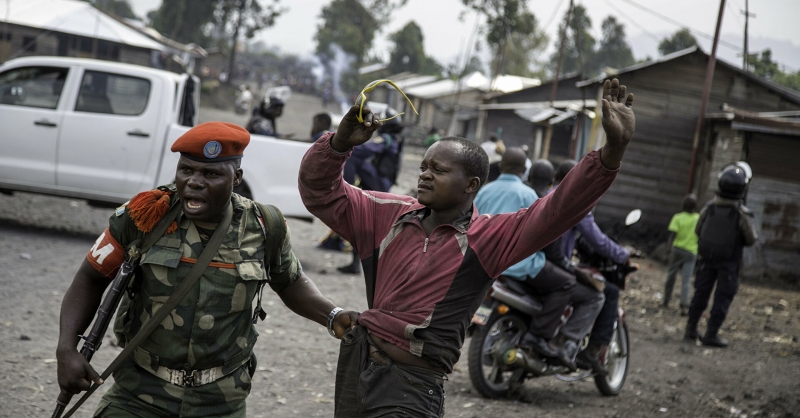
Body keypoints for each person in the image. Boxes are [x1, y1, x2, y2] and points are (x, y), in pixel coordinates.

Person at [298, 78, 635, 416]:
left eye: (438, 170)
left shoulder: (486, 238)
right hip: (356, 369)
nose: (424, 175)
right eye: (424, 167)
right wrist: (339, 145)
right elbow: (320, 193)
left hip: (411, 388)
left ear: (471, 185)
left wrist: (612, 151)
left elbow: (558, 208)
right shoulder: (387, 214)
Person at [56, 122, 359, 417]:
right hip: (138, 394)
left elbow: (290, 282)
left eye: (211, 174)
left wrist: (333, 315)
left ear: (236, 177)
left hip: (220, 401)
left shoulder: (264, 226)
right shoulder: (145, 215)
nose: (194, 182)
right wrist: (66, 349)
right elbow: (90, 277)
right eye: (186, 170)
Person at [474, 148, 604, 372]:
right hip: (519, 264)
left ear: (501, 166)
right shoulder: (529, 196)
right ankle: (538, 337)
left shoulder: (484, 190)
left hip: (484, 261)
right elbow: (545, 237)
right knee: (566, 283)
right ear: (524, 171)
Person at [554, 159, 630, 375]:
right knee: (603, 293)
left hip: (536, 262)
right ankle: (578, 348)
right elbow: (597, 240)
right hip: (555, 266)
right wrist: (623, 254)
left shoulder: (543, 195)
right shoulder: (577, 202)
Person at [684, 165, 757, 347]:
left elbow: (698, 230)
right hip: (729, 263)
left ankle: (690, 330)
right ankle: (711, 334)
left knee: (700, 294)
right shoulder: (741, 214)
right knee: (722, 298)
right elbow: (751, 239)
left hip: (706, 260)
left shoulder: (709, 207)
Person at [337, 115, 406, 275]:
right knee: (361, 223)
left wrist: (347, 142)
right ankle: (356, 264)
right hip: (380, 182)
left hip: (379, 182)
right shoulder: (396, 139)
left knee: (352, 155)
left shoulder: (387, 139)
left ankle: (345, 188)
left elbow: (365, 149)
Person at [662, 194, 700, 316]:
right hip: (691, 252)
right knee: (686, 279)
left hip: (677, 250)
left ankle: (666, 300)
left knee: (671, 275)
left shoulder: (677, 217)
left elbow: (672, 235)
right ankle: (684, 306)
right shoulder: (698, 218)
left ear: (683, 205)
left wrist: (668, 250)